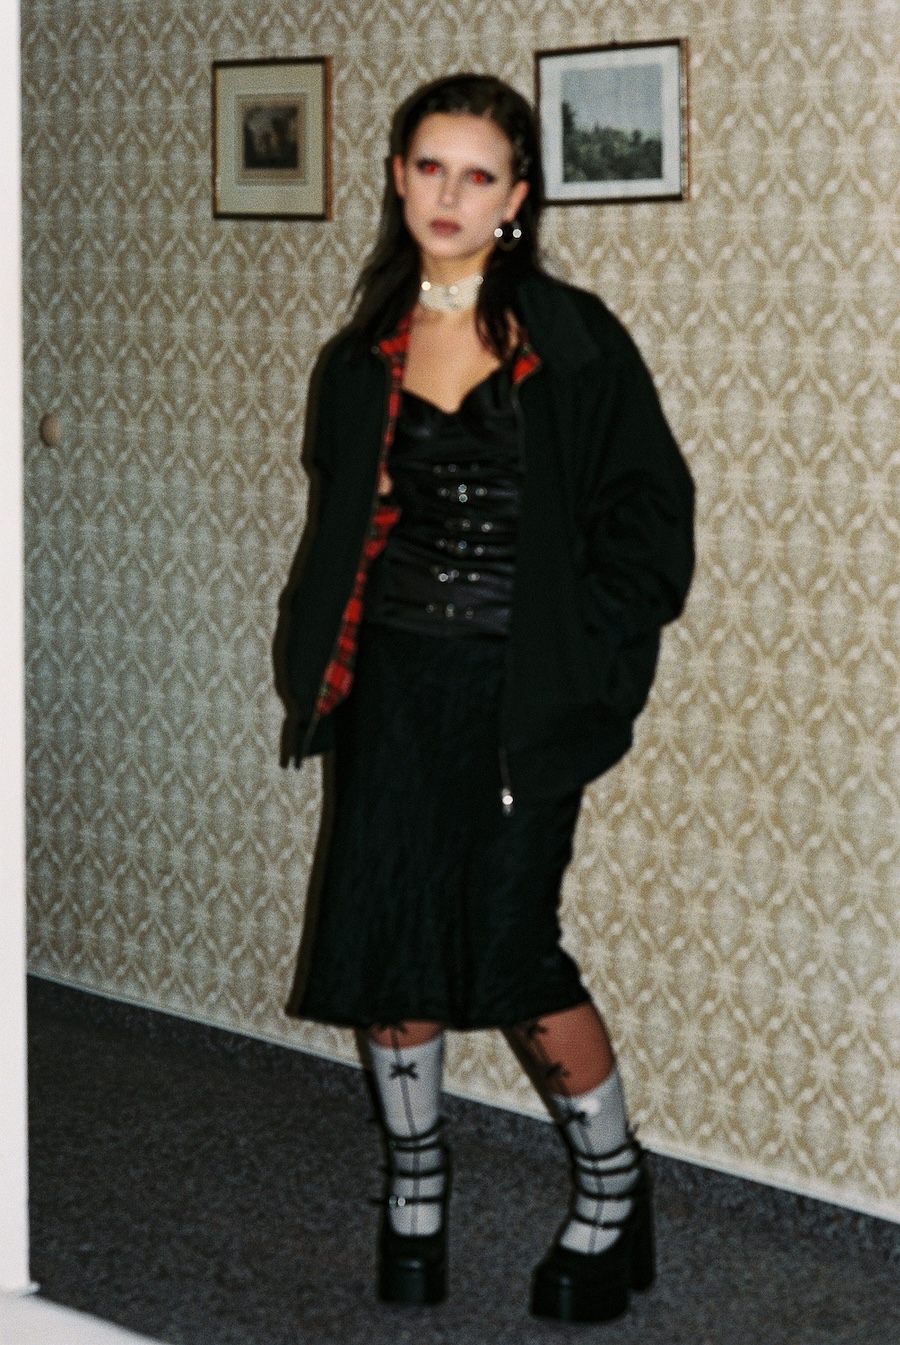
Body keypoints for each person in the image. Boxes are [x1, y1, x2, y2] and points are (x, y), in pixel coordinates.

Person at [282, 73, 694, 1324]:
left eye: (477, 174)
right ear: (398, 179)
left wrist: (584, 651)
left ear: (517, 197)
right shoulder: (360, 358)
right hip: (393, 691)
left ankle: (615, 1189)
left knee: (512, 951)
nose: (449, 195)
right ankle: (416, 1185)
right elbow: (342, 521)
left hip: (521, 701)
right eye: (429, 167)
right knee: (390, 939)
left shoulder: (574, 340)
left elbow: (652, 520)